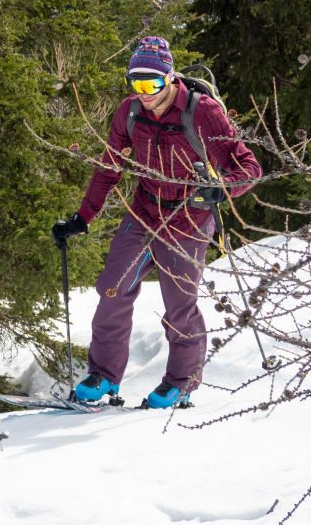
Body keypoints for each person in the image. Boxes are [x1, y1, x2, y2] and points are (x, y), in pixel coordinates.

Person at [51, 36, 262, 408]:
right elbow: (109, 168)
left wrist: (221, 190)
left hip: (188, 216)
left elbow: (249, 168)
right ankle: (103, 376)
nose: (143, 92)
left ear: (170, 79)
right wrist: (82, 218)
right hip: (144, 211)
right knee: (112, 289)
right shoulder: (130, 111)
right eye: (136, 83)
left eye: (151, 84)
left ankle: (180, 382)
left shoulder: (201, 112)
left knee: (179, 305)